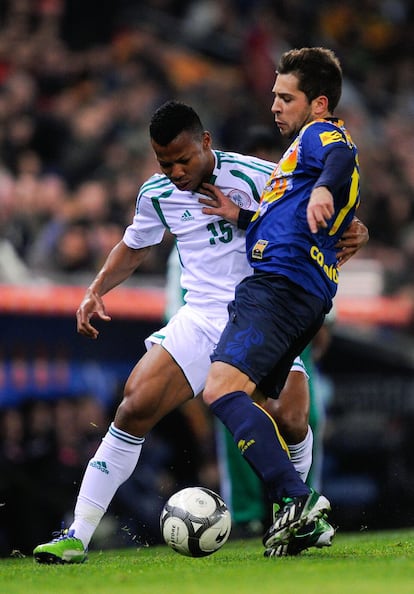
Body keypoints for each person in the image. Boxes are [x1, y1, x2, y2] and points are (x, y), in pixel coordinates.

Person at [33, 94, 364, 563]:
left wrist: (357, 228)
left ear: (206, 141)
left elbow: (320, 210)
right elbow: (134, 245)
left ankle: (292, 519)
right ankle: (77, 534)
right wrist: (96, 289)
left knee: (291, 419)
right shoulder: (156, 194)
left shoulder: (258, 176)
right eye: (165, 163)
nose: (176, 172)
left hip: (262, 313)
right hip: (201, 316)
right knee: (133, 405)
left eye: (184, 159)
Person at [201, 46, 361, 557]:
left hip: (278, 287)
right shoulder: (297, 159)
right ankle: (296, 515)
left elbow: (342, 157)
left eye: (284, 97)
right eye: (272, 96)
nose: (274, 105)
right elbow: (291, 219)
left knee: (220, 391)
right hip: (303, 293)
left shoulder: (321, 136)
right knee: (271, 407)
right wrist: (242, 216)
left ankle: (296, 501)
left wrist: (325, 192)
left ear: (317, 103)